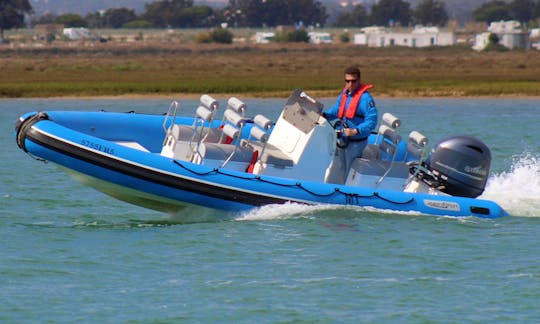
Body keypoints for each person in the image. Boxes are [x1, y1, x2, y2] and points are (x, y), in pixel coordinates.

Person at [322, 66, 378, 184]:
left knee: (350, 171)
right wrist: (325, 115)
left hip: (356, 142)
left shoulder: (365, 99)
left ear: (359, 80)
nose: (350, 84)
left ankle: (349, 193)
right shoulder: (345, 94)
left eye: (353, 81)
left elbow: (371, 121)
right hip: (342, 139)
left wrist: (356, 131)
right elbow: (337, 110)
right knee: (342, 169)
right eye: (347, 81)